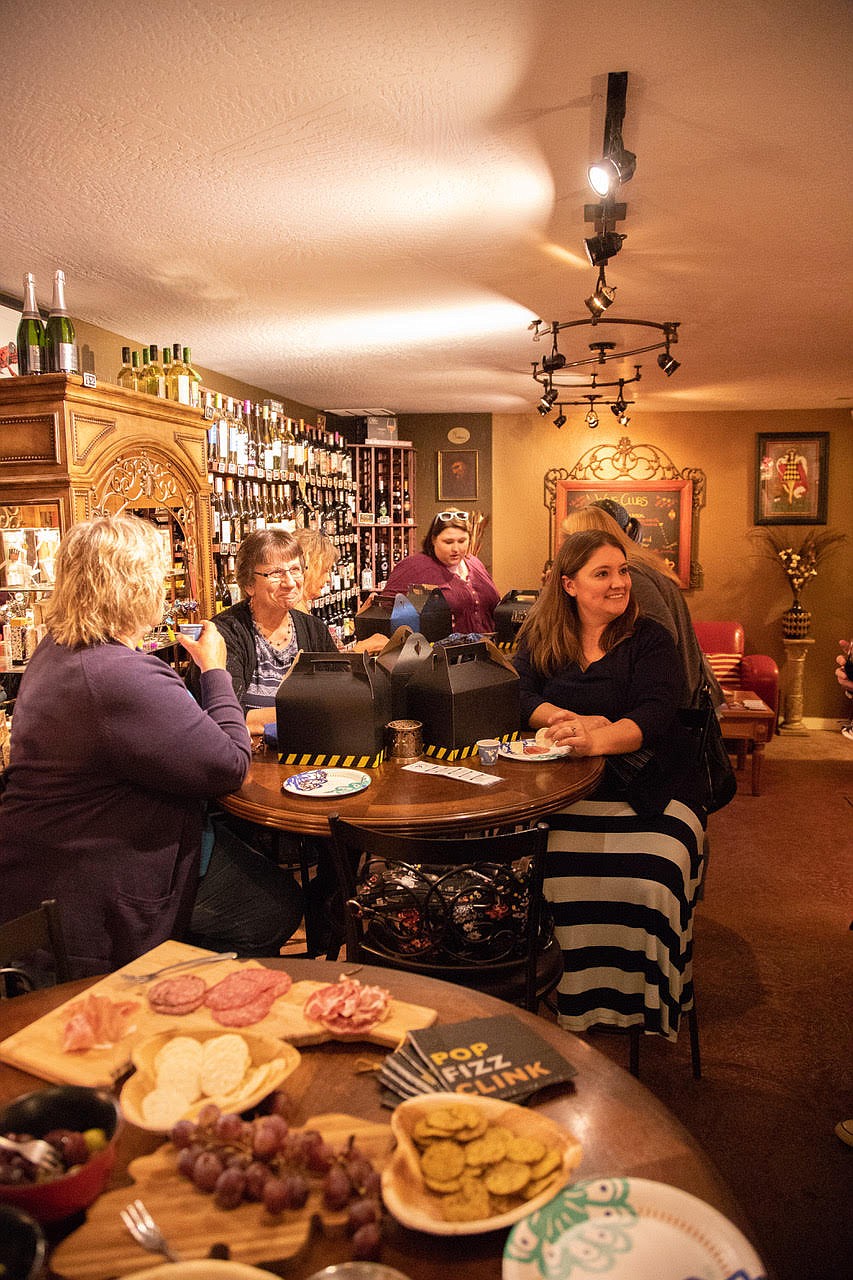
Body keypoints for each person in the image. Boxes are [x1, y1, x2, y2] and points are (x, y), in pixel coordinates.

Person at [0, 514, 251, 978]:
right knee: (269, 910)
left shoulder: (56, 647)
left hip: (43, 869)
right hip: (94, 891)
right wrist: (216, 670)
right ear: (137, 587)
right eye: (160, 575)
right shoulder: (118, 674)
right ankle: (177, 999)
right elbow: (230, 765)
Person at [513, 528, 707, 1041]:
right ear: (569, 584)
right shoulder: (541, 635)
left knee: (650, 879)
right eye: (604, 573)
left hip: (648, 786)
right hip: (563, 790)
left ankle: (643, 1002)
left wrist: (594, 736)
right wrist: (566, 716)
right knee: (533, 871)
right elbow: (520, 694)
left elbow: (657, 713)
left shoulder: (649, 639)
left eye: (622, 570)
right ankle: (564, 995)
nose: (621, 583)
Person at [561, 499, 717, 708]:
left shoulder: (633, 577)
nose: (562, 547)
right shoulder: (639, 567)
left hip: (668, 707)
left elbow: (663, 637)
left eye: (567, 539)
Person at [193, 528, 337, 735]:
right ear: (249, 584)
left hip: (307, 751)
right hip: (252, 759)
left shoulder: (313, 629)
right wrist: (311, 713)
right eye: (276, 573)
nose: (289, 582)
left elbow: (340, 696)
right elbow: (228, 716)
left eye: (295, 569)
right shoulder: (225, 634)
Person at [383, 510, 500, 634]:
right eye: (448, 542)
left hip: (488, 649)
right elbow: (385, 612)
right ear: (433, 540)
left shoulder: (475, 563)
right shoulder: (415, 567)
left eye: (462, 541)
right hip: (445, 651)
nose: (456, 549)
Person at [293, 528, 387, 654]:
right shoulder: (295, 617)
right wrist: (362, 650)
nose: (328, 579)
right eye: (325, 570)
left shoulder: (301, 610)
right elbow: (318, 670)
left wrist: (359, 618)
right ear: (309, 567)